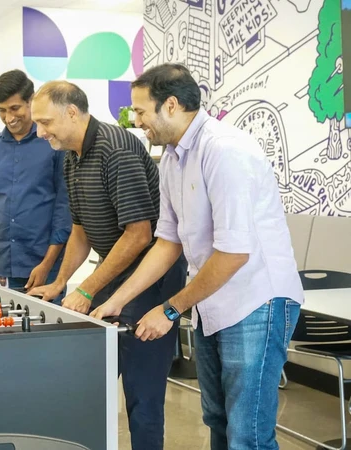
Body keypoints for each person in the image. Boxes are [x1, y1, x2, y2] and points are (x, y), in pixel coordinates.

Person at [93, 63, 303, 449]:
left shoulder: (225, 151)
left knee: (248, 434)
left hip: (257, 301)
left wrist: (170, 310)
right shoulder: (173, 157)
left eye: (140, 111)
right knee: (218, 421)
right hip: (213, 303)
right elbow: (167, 242)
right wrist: (115, 301)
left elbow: (234, 253)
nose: (136, 120)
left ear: (170, 105)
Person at [27, 81, 187, 450]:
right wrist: (62, 281)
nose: (40, 131)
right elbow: (81, 230)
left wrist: (88, 288)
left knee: (141, 395)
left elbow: (138, 235)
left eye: (45, 121)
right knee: (93, 383)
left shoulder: (117, 149)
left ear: (72, 112)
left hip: (151, 281)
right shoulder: (71, 155)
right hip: (115, 275)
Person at [0, 69, 71, 303]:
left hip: (44, 268)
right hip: (0, 268)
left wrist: (47, 265)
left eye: (15, 109)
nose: (8, 117)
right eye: (1, 111)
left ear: (30, 102)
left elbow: (64, 210)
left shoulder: (53, 144)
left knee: (43, 338)